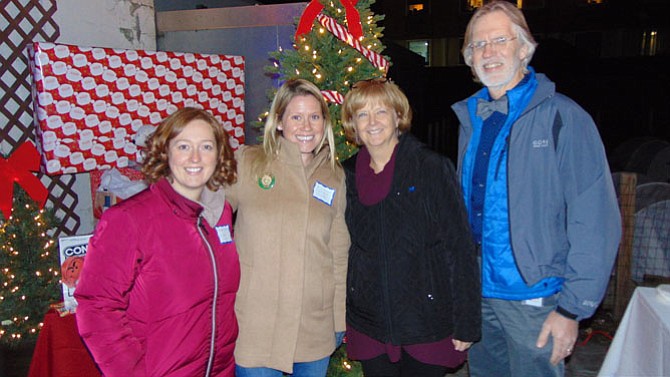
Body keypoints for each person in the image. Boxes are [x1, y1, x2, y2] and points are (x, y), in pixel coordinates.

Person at [452, 2, 622, 376]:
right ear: (469, 59)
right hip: (479, 293)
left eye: (500, 40)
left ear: (524, 48)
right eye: (479, 45)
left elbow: (595, 219)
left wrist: (571, 308)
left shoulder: (562, 117)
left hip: (535, 296)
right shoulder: (472, 119)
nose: (489, 52)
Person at [75, 107, 240, 376]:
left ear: (219, 155)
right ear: (165, 152)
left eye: (206, 146)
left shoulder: (219, 213)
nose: (195, 157)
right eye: (184, 146)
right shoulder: (128, 220)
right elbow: (96, 308)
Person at [341, 78, 481, 377]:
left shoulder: (430, 167)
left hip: (425, 322)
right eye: (362, 114)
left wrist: (467, 320)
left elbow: (459, 246)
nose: (372, 121)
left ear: (397, 116)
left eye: (381, 111)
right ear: (352, 123)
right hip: (370, 322)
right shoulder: (347, 174)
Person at [226, 79, 350, 376]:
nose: (306, 126)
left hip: (314, 326)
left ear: (324, 123)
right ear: (279, 121)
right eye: (296, 117)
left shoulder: (333, 175)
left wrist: (338, 320)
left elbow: (338, 251)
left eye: (314, 117)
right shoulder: (248, 162)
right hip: (256, 325)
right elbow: (205, 219)